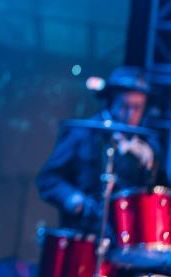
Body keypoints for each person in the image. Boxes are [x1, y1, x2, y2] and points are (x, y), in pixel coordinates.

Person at [36, 66, 158, 232]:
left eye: (137, 108)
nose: (130, 115)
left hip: (127, 238)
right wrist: (73, 199)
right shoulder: (83, 134)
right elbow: (48, 178)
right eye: (124, 106)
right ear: (111, 102)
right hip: (84, 234)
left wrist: (151, 167)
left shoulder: (148, 144)